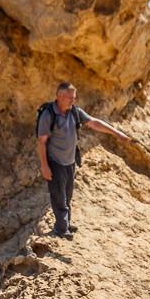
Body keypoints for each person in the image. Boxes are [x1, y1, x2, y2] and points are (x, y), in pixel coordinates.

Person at [36, 82, 134, 239]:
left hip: (70, 161)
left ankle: (65, 223)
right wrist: (44, 166)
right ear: (59, 96)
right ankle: (61, 229)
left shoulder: (75, 112)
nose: (72, 101)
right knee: (58, 196)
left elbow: (94, 122)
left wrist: (116, 133)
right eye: (69, 98)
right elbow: (41, 141)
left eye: (74, 98)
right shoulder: (48, 115)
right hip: (55, 162)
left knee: (68, 194)